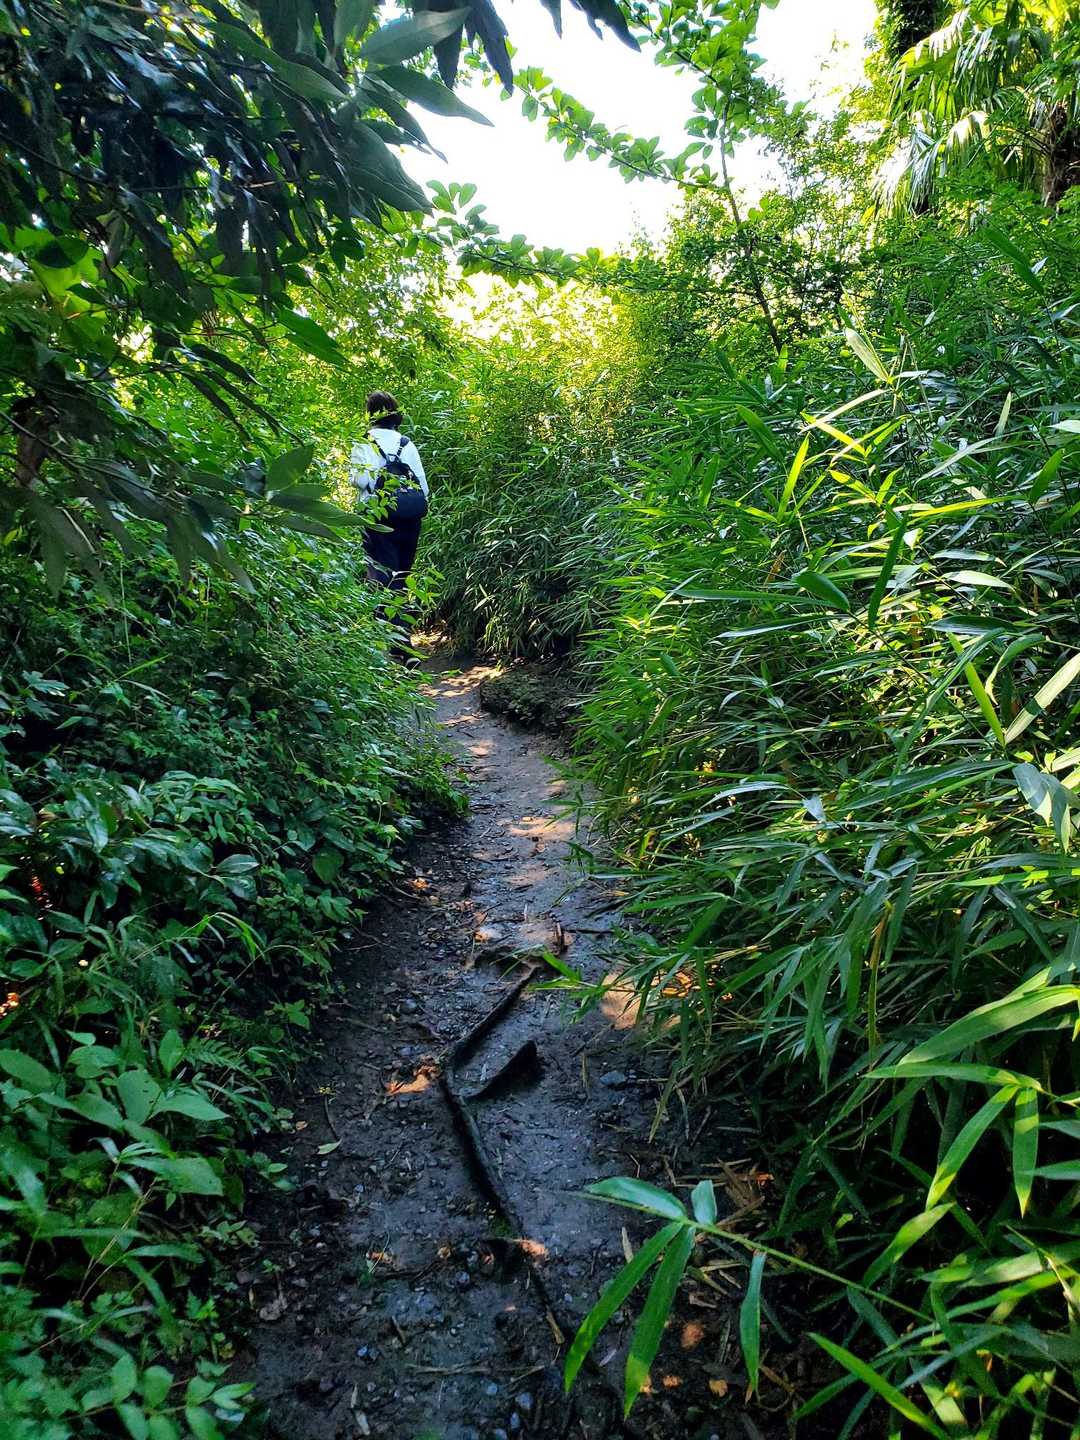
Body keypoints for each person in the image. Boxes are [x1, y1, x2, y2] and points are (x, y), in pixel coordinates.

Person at [350, 390, 429, 654]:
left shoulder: (364, 443)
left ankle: (395, 643)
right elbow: (424, 489)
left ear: (370, 414)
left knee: (382, 577)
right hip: (409, 518)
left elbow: (361, 481)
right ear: (395, 413)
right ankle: (400, 639)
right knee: (402, 577)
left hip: (377, 517)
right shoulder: (407, 444)